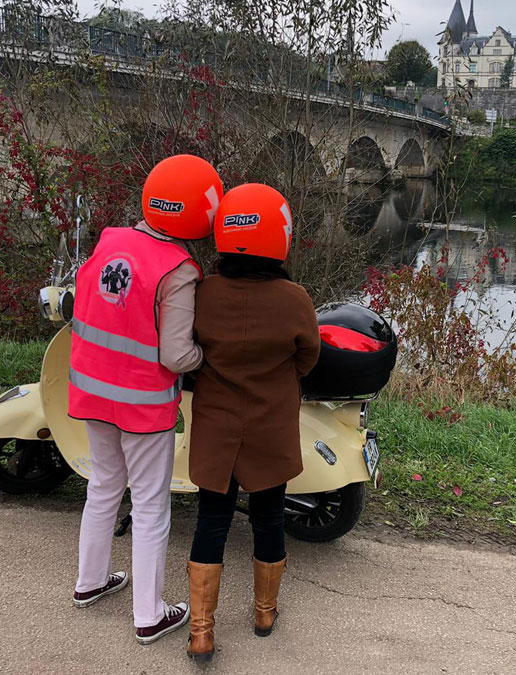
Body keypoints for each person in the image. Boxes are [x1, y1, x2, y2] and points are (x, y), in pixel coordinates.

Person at [67, 154, 223, 644]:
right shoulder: (178, 269)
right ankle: (149, 615)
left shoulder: (110, 240)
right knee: (152, 506)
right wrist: (207, 357)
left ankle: (90, 583)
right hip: (141, 405)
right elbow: (177, 355)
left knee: (103, 488)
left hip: (91, 392)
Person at [184, 183, 321, 662]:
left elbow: (189, 355)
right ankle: (264, 611)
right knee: (268, 518)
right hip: (270, 425)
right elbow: (309, 357)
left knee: (212, 521)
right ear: (279, 236)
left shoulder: (203, 293)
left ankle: (201, 631)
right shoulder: (295, 298)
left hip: (218, 426)